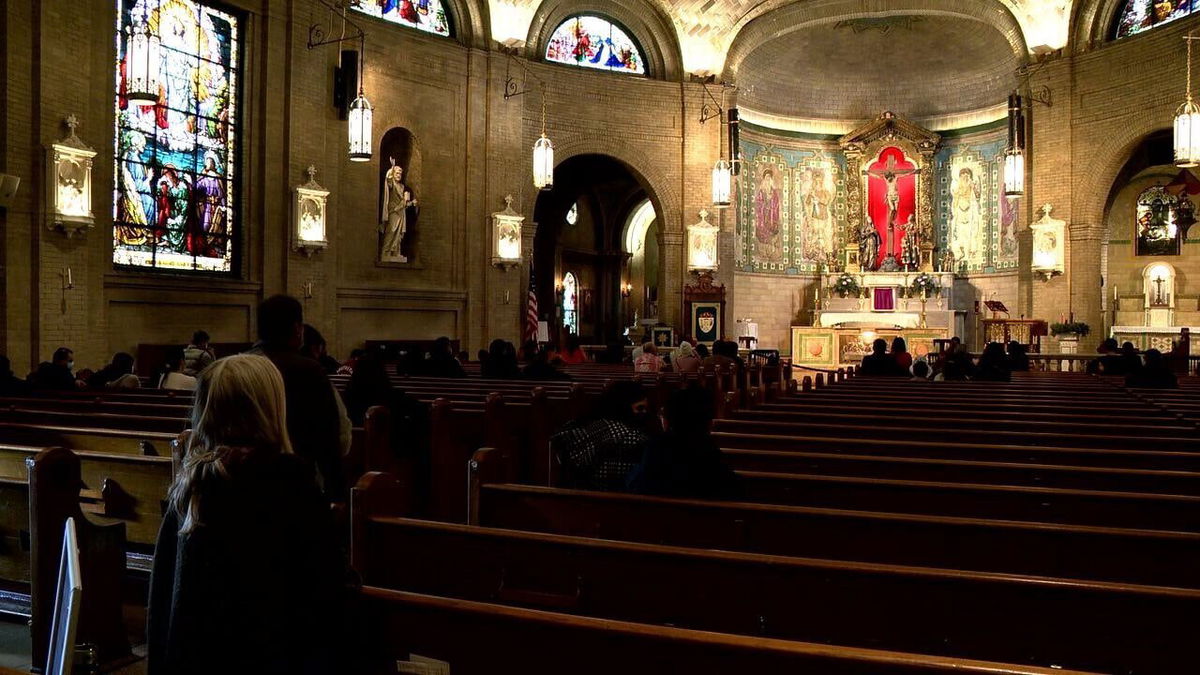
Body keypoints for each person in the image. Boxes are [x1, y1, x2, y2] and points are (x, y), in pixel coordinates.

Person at [147, 354, 345, 675]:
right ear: (272, 407)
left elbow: (163, 602)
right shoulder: (290, 484)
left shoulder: (191, 484)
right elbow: (322, 595)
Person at [248, 295, 349, 500]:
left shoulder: (232, 367)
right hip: (293, 487)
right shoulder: (309, 371)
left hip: (240, 486)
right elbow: (332, 436)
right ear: (297, 329)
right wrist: (337, 494)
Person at [627, 384, 738, 499]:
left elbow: (637, 485)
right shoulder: (708, 451)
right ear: (709, 423)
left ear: (667, 420)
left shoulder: (655, 447)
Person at [552, 381, 654, 491]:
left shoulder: (590, 424)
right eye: (640, 408)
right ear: (624, 407)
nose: (644, 413)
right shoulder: (630, 438)